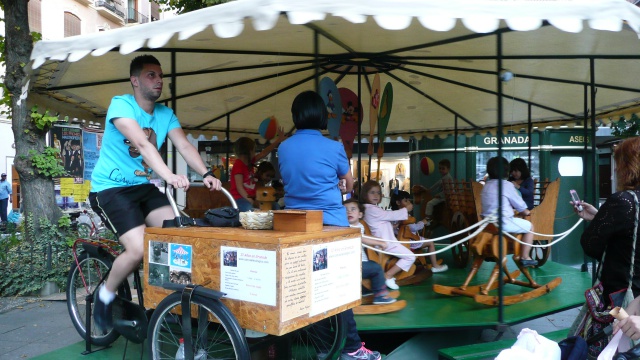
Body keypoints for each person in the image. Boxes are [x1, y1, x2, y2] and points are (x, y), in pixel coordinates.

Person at [88, 55, 222, 332]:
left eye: (160, 76)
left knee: (178, 235)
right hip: (110, 189)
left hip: (142, 188)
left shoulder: (165, 114)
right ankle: (104, 295)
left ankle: (168, 302)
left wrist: (206, 174)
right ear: (135, 80)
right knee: (137, 249)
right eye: (151, 75)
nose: (159, 80)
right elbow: (141, 143)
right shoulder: (121, 104)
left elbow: (184, 146)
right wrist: (169, 176)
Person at [278, 90, 380, 360]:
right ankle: (352, 349)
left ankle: (324, 348)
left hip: (295, 225)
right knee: (337, 289)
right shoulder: (334, 146)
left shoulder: (284, 147)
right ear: (323, 116)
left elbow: (288, 178)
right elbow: (349, 184)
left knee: (308, 288)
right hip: (330, 226)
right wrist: (335, 184)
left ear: (296, 116)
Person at [573, 137, 640, 308]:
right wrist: (599, 217)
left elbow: (590, 244)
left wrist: (602, 221)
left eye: (619, 163)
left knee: (614, 333)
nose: (615, 169)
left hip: (622, 294)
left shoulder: (624, 201)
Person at [480, 156, 537, 267]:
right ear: (506, 171)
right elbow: (522, 208)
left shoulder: (486, 185)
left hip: (487, 224)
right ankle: (525, 257)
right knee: (530, 227)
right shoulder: (507, 185)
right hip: (503, 223)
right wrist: (526, 212)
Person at [360, 180, 418, 290]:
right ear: (365, 194)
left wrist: (393, 227)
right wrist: (406, 209)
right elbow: (389, 215)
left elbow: (380, 223)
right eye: (372, 192)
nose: (376, 195)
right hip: (385, 243)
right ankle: (388, 276)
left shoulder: (370, 208)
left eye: (378, 192)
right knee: (410, 257)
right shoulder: (371, 209)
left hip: (385, 240)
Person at [343, 199, 397, 305]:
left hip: (359, 263)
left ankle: (364, 290)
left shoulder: (360, 226)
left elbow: (363, 239)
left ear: (360, 214)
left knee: (374, 265)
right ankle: (380, 295)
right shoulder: (346, 227)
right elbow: (360, 237)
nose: (349, 212)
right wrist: (380, 243)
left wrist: (377, 241)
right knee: (376, 269)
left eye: (353, 209)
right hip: (352, 265)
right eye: (345, 210)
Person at [390, 190, 448, 273]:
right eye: (406, 201)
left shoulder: (393, 214)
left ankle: (429, 260)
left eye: (408, 200)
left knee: (425, 239)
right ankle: (435, 266)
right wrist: (423, 223)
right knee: (430, 243)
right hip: (409, 241)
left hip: (399, 240)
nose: (409, 202)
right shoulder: (403, 215)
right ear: (398, 203)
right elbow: (413, 228)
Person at [230, 132, 284, 212]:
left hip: (252, 198)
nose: (255, 153)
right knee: (249, 209)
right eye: (254, 150)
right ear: (249, 151)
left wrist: (277, 141)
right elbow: (239, 188)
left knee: (275, 205)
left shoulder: (250, 162)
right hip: (239, 198)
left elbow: (264, 153)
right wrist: (252, 201)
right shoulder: (238, 164)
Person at [424, 158, 453, 226]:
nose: (441, 170)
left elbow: (448, 191)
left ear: (448, 169)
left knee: (429, 203)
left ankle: (428, 219)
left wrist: (439, 195)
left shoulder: (447, 178)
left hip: (445, 197)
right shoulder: (444, 177)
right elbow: (436, 184)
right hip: (444, 196)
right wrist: (429, 189)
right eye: (440, 168)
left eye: (443, 168)